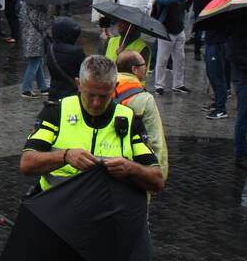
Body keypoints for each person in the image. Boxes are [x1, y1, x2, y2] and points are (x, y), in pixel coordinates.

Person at [21, 55, 165, 195]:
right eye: (90, 94)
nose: (96, 103)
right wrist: (65, 156)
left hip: (108, 214)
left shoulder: (130, 119)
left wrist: (131, 168)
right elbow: (27, 163)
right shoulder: (56, 113)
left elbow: (157, 181)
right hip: (57, 212)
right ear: (78, 84)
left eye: (104, 96)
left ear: (114, 87)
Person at [114, 51, 169, 261]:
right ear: (135, 69)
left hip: (109, 165)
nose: (146, 69)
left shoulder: (104, 87)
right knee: (139, 222)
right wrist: (158, 176)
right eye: (144, 65)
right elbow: (156, 142)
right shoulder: (143, 98)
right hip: (136, 168)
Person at [227, 8, 247, 171]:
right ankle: (240, 154)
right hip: (245, 78)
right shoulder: (240, 29)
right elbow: (233, 55)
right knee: (244, 117)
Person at [153, 0, 191, 95]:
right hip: (166, 31)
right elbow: (167, 1)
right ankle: (159, 85)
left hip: (179, 30)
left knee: (180, 59)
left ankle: (178, 84)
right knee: (162, 59)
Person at [203, 0, 230, 120]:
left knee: (217, 75)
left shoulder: (225, 1)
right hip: (211, 41)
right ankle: (218, 103)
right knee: (212, 74)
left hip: (218, 42)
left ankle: (221, 109)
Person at [46, 17, 86, 103]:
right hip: (71, 94)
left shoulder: (50, 48)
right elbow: (86, 71)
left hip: (54, 94)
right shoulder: (76, 51)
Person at [20, 0, 52, 98]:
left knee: (38, 62)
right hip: (37, 39)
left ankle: (43, 87)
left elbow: (21, 19)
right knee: (34, 63)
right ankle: (26, 89)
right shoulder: (41, 7)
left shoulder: (25, 5)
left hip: (27, 36)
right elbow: (43, 25)